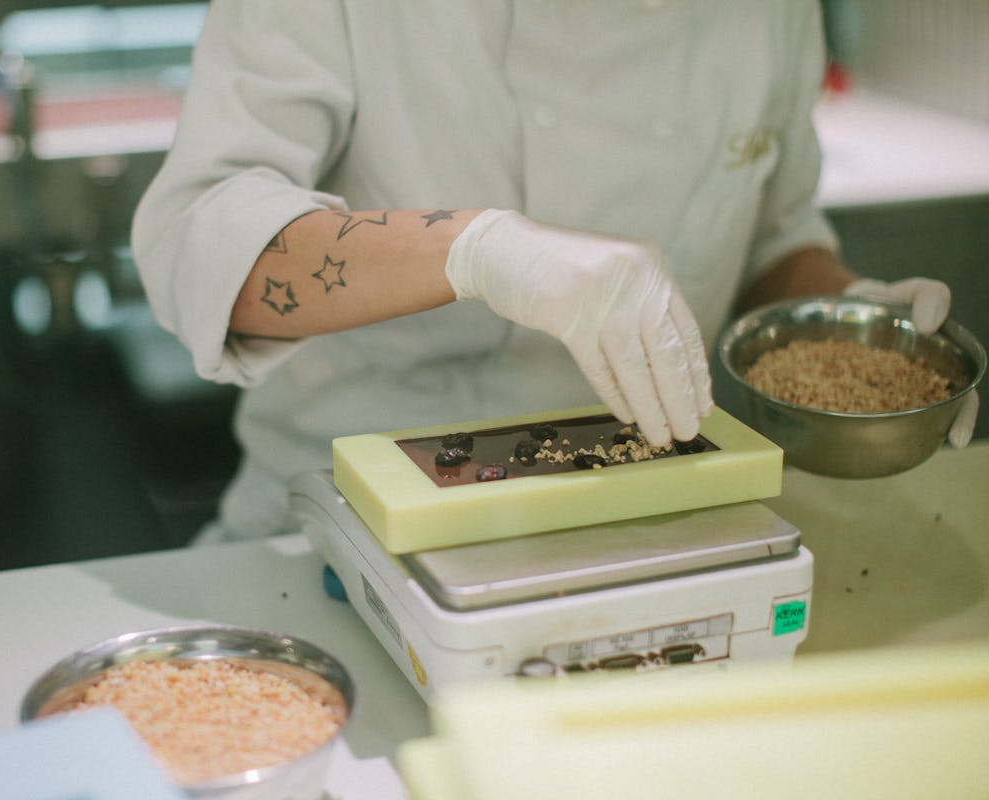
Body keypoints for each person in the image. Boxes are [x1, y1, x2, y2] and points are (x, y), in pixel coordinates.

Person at [132, 1, 977, 545]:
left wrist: (842, 319)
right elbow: (199, 243)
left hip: (672, 529)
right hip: (349, 529)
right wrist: (478, 252)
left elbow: (771, 234)